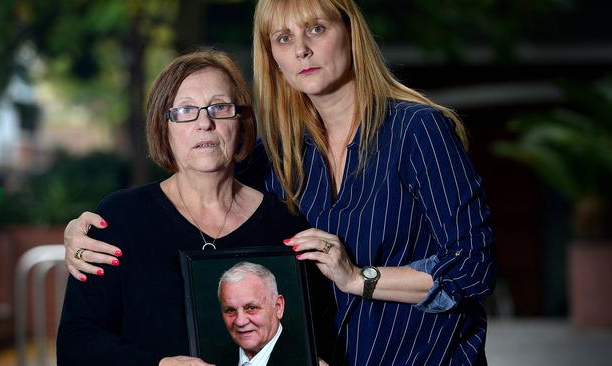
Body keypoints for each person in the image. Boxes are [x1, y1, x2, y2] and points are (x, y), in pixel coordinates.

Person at [63, 0, 496, 364]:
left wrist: (357, 278)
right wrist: (83, 229)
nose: (303, 50)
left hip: (423, 355)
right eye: (284, 39)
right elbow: (197, 188)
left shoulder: (418, 130)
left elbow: (474, 269)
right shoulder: (278, 156)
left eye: (316, 28)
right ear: (273, 57)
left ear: (350, 33)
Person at [56, 49, 322, 366]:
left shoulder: (285, 226)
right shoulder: (120, 220)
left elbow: (313, 341)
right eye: (185, 111)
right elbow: (76, 346)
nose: (205, 123)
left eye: (219, 107)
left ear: (241, 122)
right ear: (163, 127)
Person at [217, 261, 305, 366]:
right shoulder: (212, 360)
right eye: (230, 310)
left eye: (251, 308)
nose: (240, 322)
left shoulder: (307, 359)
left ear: (278, 307)